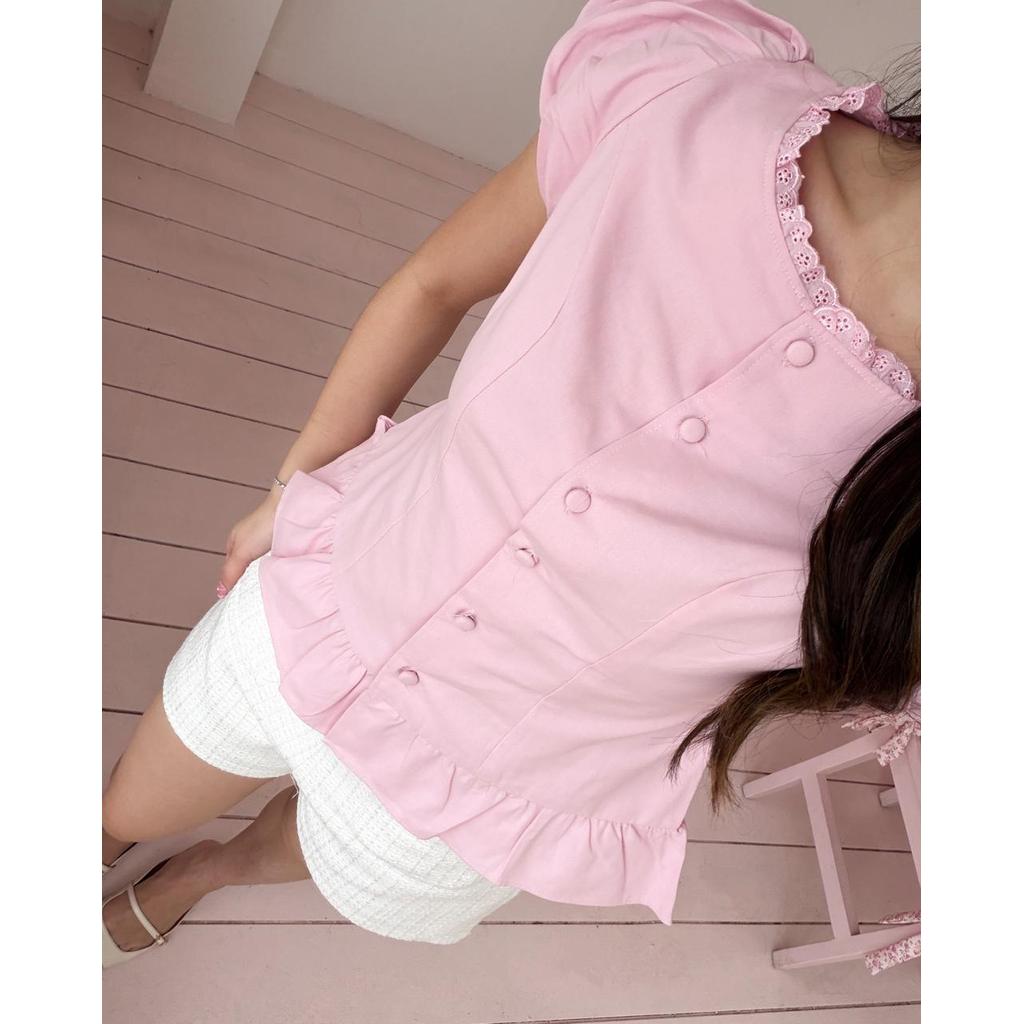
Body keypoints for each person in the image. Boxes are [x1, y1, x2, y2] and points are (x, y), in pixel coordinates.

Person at [102, 0, 921, 966]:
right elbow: (436, 283)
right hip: (324, 597)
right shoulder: (696, 85)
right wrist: (293, 487)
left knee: (292, 855)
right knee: (126, 807)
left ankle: (206, 872)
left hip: (493, 798)